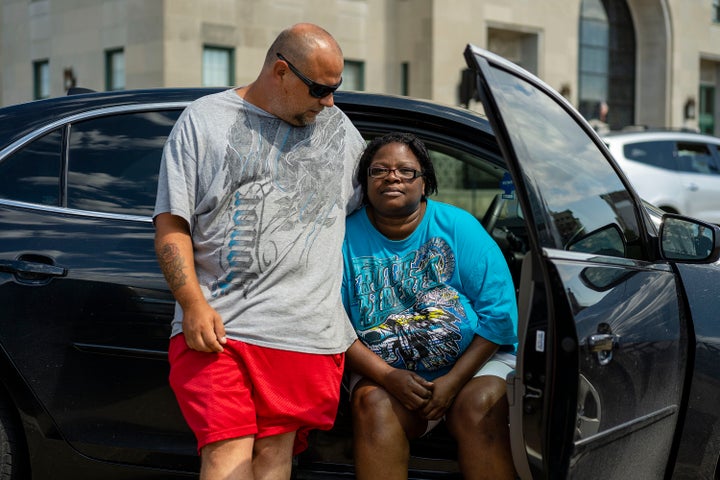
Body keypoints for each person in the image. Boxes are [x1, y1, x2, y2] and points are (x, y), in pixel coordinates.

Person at [153, 23, 365, 480]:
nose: (329, 102)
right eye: (320, 89)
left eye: (336, 89)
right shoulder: (206, 120)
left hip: (305, 332)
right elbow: (172, 224)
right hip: (222, 328)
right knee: (226, 454)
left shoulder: (338, 129)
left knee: (274, 459)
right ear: (281, 71)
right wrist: (192, 304)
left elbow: (376, 209)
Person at [341, 132, 519, 480]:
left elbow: (499, 317)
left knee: (478, 406)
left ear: (425, 183)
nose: (392, 177)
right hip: (384, 371)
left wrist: (453, 382)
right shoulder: (344, 238)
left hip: (474, 364)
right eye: (379, 170)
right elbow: (331, 325)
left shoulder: (458, 227)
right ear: (365, 182)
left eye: (406, 171)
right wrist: (389, 377)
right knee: (371, 404)